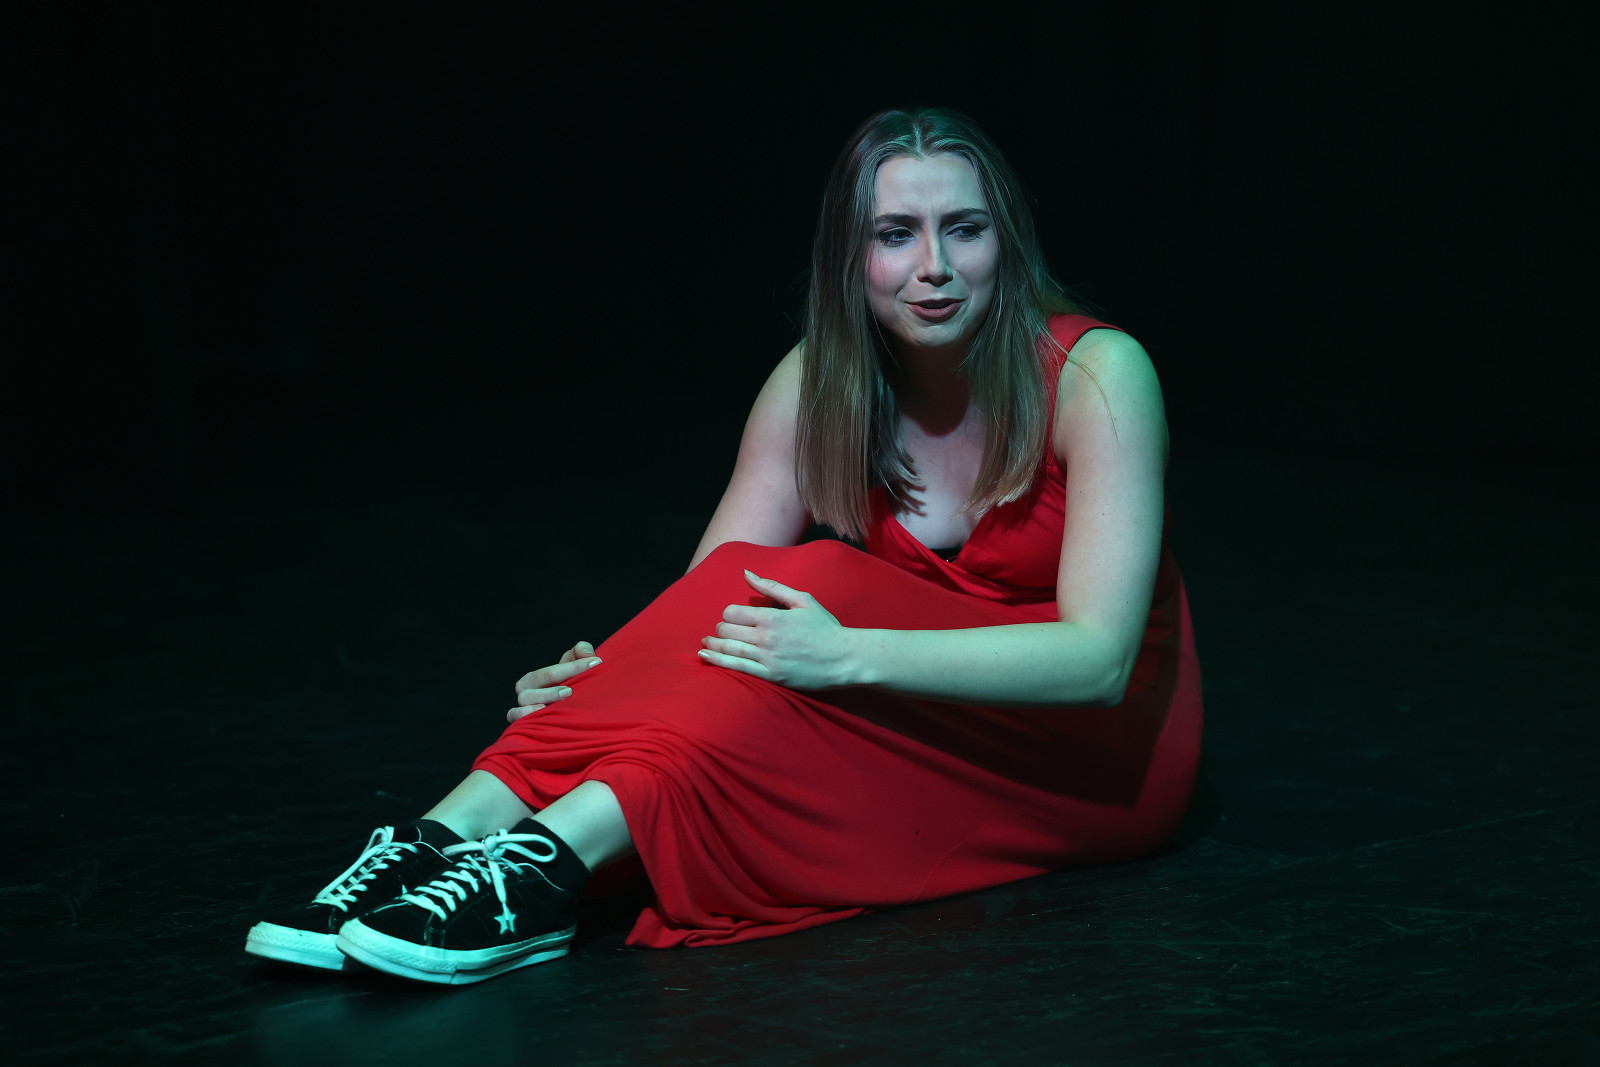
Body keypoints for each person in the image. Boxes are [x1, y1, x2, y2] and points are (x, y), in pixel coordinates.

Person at [244, 107, 1203, 985]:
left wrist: (845, 654)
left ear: (1007, 242)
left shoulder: (1097, 373)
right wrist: (606, 681)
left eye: (965, 229)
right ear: (851, 257)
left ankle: (540, 867)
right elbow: (710, 599)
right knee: (734, 626)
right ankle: (440, 837)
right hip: (926, 709)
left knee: (815, 582)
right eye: (895, 235)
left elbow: (1100, 661)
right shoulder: (820, 382)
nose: (934, 266)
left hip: (1093, 754)